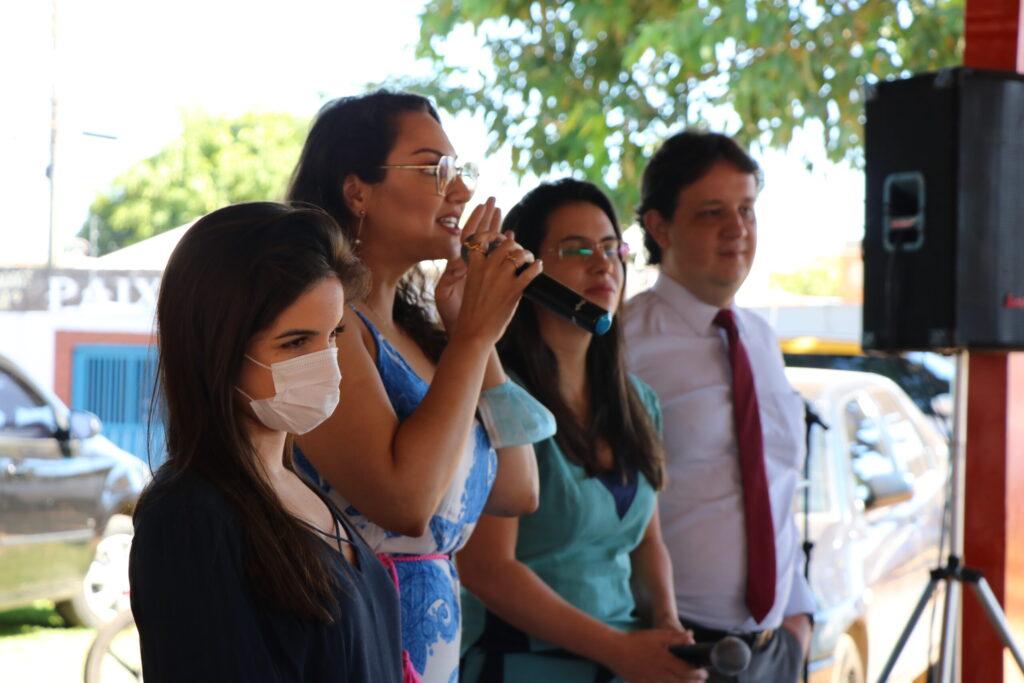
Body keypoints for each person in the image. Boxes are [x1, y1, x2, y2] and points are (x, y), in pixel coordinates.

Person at [286, 91, 548, 683]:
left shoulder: (426, 337)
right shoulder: (326, 325)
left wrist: (473, 338)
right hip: (353, 639)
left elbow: (517, 488)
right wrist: (472, 342)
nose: (459, 192)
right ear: (358, 190)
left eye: (459, 171)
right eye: (435, 169)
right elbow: (403, 503)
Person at [129, 202, 403, 682]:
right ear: (217, 348)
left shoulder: (299, 491)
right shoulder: (188, 515)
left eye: (334, 334)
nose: (327, 363)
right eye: (296, 343)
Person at [458, 178, 707, 683]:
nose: (603, 264)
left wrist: (667, 629)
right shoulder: (499, 398)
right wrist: (619, 650)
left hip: (626, 662)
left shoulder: (639, 401)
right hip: (523, 666)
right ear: (525, 270)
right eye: (577, 249)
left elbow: (645, 541)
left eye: (613, 248)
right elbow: (486, 569)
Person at [624, 132, 816, 682]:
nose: (738, 229)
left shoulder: (761, 338)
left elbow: (775, 482)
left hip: (776, 648)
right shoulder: (621, 345)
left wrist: (799, 618)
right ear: (660, 227)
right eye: (713, 212)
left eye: (747, 209)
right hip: (676, 649)